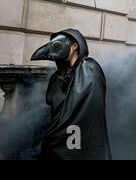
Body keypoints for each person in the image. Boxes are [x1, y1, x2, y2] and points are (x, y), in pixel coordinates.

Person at [30, 29, 111, 160]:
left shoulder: (88, 67)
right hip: (60, 138)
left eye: (57, 45)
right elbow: (53, 104)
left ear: (74, 46)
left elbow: (83, 106)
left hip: (78, 136)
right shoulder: (59, 76)